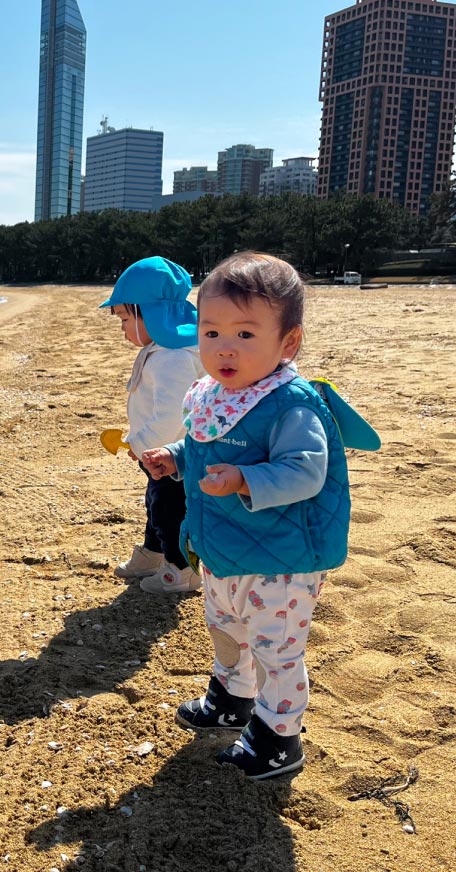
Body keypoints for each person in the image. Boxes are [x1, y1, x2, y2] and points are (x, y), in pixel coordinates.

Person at [143, 251, 351, 779]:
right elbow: (205, 446)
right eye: (211, 334)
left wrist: (244, 480)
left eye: (245, 334)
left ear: (288, 342)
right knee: (225, 625)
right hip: (223, 549)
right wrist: (177, 456)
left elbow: (306, 471)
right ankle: (231, 698)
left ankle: (280, 738)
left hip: (281, 557)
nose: (224, 348)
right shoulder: (214, 397)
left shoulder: (290, 404)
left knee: (275, 649)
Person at [100, 256, 205, 593]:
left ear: (150, 312)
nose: (123, 329)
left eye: (126, 318)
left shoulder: (173, 358)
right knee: (156, 503)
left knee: (171, 509)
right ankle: (154, 553)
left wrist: (139, 443)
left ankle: (181, 569)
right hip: (159, 450)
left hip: (174, 455)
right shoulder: (165, 348)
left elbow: (173, 416)